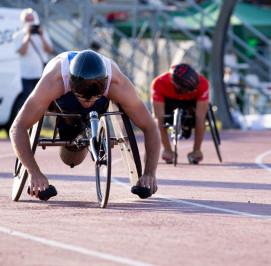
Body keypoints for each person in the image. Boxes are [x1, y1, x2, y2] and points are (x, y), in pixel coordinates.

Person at [10, 50, 160, 200]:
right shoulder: (54, 80)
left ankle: (92, 129)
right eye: (84, 98)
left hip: (99, 105)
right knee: (70, 157)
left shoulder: (117, 83)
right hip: (64, 101)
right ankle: (74, 124)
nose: (88, 103)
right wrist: (34, 173)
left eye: (92, 98)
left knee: (79, 145)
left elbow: (150, 127)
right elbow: (17, 127)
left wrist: (149, 173)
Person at [151, 63, 209, 164]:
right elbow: (158, 117)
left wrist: (197, 150)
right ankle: (168, 149)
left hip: (191, 104)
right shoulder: (159, 83)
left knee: (201, 117)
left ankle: (196, 149)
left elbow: (200, 117)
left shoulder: (203, 83)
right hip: (168, 103)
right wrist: (167, 148)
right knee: (156, 118)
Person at [13, 8, 53, 102]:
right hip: (27, 75)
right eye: (28, 19)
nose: (30, 22)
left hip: (41, 74)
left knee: (42, 100)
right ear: (23, 21)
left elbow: (49, 49)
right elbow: (22, 52)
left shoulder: (42, 33)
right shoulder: (18, 35)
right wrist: (27, 35)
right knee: (28, 101)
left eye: (32, 19)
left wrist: (41, 36)